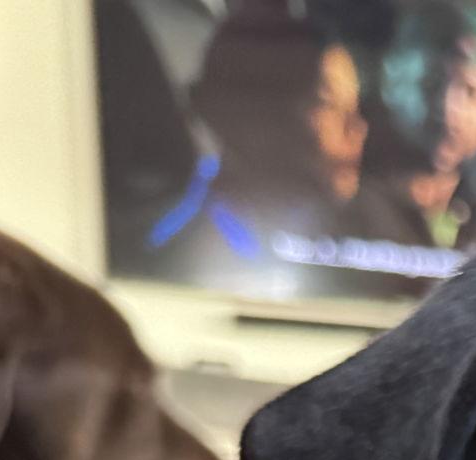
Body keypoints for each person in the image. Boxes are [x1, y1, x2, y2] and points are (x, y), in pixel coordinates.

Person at [146, 7, 366, 287]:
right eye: (325, 103)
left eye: (355, 105)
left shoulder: (361, 244)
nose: (357, 128)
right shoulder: (178, 264)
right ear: (244, 118)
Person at [351, 2, 476, 254]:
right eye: (430, 82)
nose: (449, 108)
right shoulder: (349, 213)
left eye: (473, 92)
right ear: (391, 83)